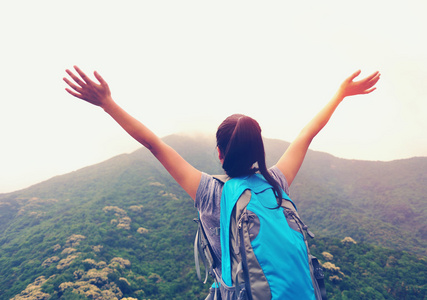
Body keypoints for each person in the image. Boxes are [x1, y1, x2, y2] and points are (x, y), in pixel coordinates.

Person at [63, 66, 380, 297]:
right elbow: (306, 134)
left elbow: (154, 145)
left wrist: (107, 103)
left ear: (218, 152)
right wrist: (340, 94)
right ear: (259, 149)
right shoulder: (276, 183)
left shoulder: (211, 193)